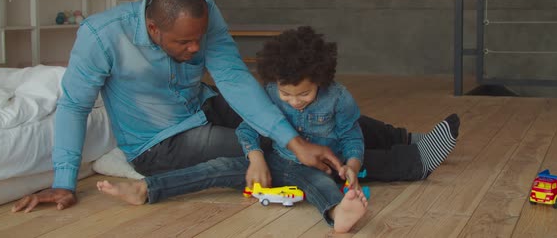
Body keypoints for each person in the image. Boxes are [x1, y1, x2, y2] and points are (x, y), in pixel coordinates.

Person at [11, 0, 342, 213]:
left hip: (202, 103)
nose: (196, 48)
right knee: (276, 148)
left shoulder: (204, 12)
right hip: (160, 142)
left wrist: (297, 140)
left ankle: (389, 137)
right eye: (184, 43)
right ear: (154, 30)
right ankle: (374, 162)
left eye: (198, 38)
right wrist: (64, 183)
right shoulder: (102, 35)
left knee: (307, 119)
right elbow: (74, 106)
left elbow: (231, 77)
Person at [95, 26, 459, 233]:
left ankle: (342, 212)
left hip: (319, 161)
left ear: (321, 80)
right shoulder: (269, 94)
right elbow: (251, 130)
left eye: (304, 94)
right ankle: (146, 189)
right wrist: (254, 157)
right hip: (273, 160)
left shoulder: (339, 98)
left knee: (328, 181)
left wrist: (351, 161)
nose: (295, 101)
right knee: (214, 169)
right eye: (287, 94)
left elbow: (351, 135)